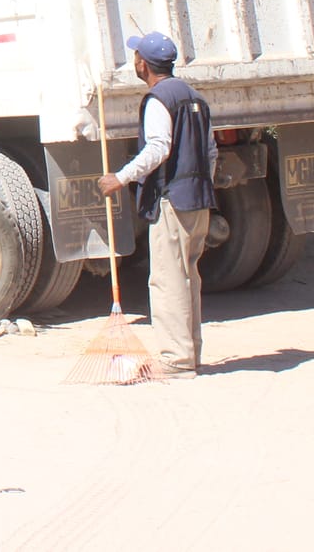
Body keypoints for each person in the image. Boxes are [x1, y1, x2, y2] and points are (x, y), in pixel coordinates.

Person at [97, 30, 218, 379]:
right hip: (198, 200)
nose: (134, 61)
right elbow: (210, 152)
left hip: (173, 202)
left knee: (167, 280)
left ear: (143, 64)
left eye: (136, 56)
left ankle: (175, 361)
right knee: (188, 278)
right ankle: (189, 353)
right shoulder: (195, 97)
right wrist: (201, 184)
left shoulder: (158, 100)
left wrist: (120, 177)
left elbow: (158, 149)